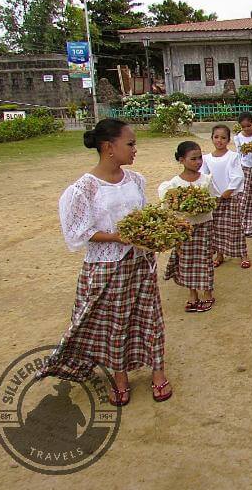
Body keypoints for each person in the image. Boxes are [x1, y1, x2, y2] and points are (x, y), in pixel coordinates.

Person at [39, 118, 172, 405]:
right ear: (109, 147)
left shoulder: (136, 180)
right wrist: (116, 236)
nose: (135, 149)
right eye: (131, 143)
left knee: (150, 318)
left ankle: (158, 371)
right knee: (115, 324)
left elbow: (144, 218)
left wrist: (158, 232)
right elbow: (78, 233)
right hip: (107, 267)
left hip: (140, 263)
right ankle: (119, 377)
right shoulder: (84, 188)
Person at [159, 141, 219, 312]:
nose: (198, 162)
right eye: (193, 159)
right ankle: (192, 294)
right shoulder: (173, 184)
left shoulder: (206, 180)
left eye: (200, 158)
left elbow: (214, 199)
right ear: (181, 160)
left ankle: (208, 293)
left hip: (204, 225)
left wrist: (205, 204)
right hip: (184, 228)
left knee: (204, 259)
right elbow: (168, 207)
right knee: (186, 260)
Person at [201, 125, 250, 269]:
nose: (219, 140)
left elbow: (238, 176)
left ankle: (243, 254)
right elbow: (204, 178)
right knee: (216, 228)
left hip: (231, 197)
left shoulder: (233, 156)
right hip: (215, 199)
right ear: (212, 138)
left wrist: (228, 191)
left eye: (223, 138)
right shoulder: (206, 159)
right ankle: (220, 254)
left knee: (235, 226)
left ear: (228, 140)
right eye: (216, 137)